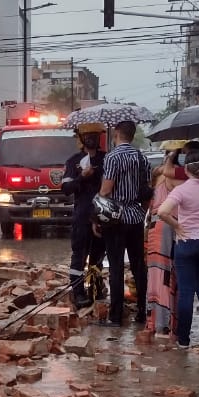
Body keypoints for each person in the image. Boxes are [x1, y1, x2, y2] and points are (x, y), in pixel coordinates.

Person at [157, 143, 199, 350]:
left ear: (186, 169)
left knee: (186, 291)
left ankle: (184, 339)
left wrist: (177, 226)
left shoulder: (182, 190)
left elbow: (162, 212)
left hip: (187, 243)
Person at [98, 120, 152, 327]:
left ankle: (115, 316)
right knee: (138, 266)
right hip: (136, 218)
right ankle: (142, 312)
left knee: (116, 266)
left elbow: (106, 190)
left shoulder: (112, 157)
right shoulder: (142, 158)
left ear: (117, 134)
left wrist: (97, 217)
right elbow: (147, 190)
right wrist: (142, 212)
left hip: (115, 219)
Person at [62, 125, 108, 310]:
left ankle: (95, 289)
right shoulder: (73, 161)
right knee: (79, 255)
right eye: (88, 135)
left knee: (98, 256)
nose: (91, 138)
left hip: (102, 215)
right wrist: (82, 176)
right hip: (82, 216)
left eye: (95, 135)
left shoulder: (106, 159)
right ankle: (78, 292)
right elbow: (66, 189)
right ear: (81, 138)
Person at [145, 140, 189, 335]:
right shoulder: (173, 177)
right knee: (168, 275)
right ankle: (166, 324)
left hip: (156, 227)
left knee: (158, 275)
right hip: (168, 227)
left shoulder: (160, 174)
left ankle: (156, 322)